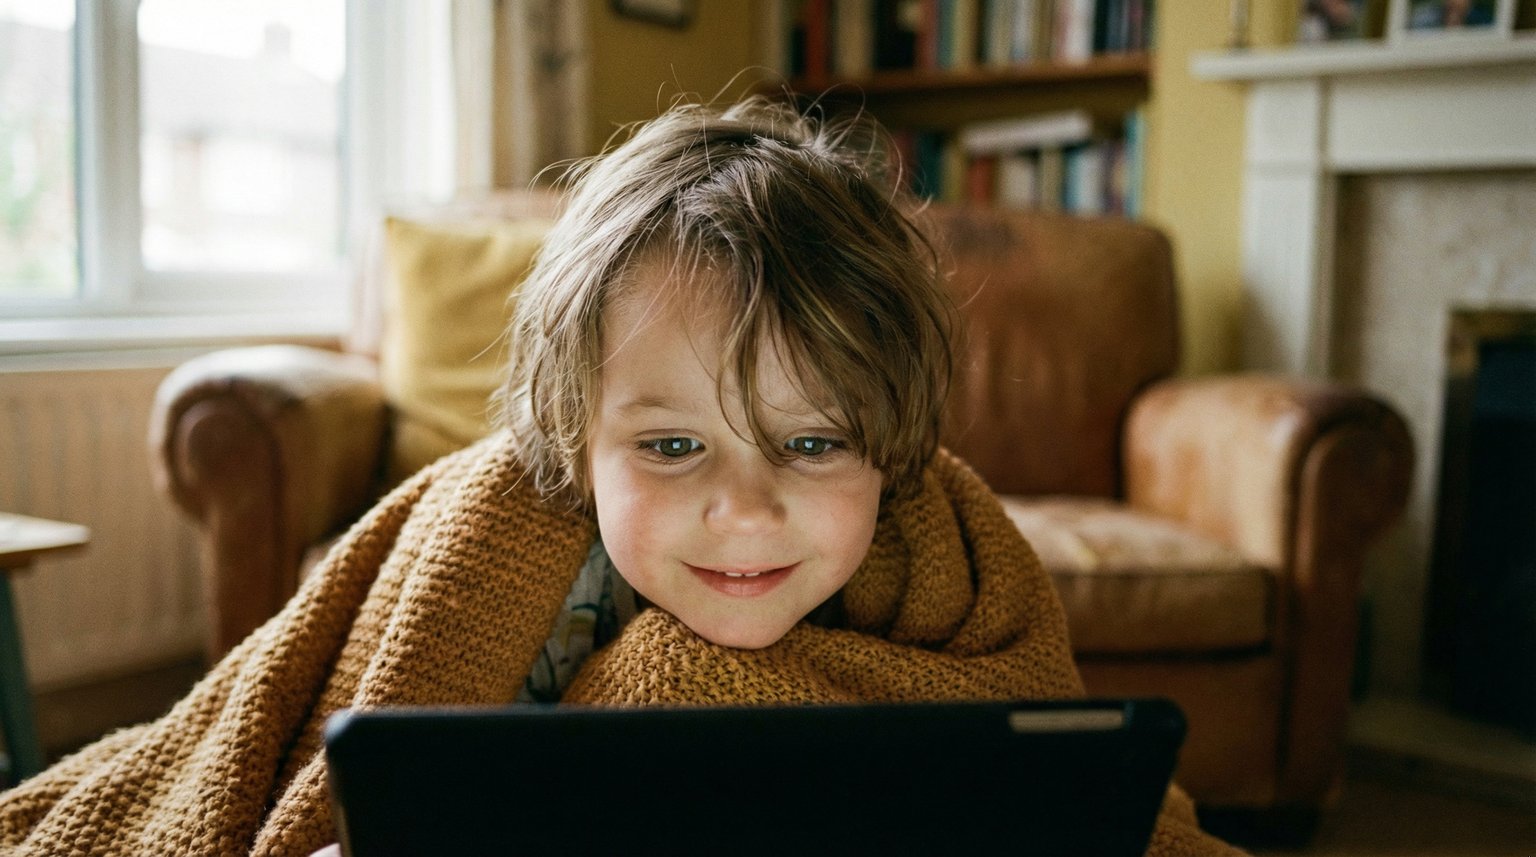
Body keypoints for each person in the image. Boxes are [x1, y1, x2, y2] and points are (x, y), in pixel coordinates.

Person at [0, 95, 1242, 856]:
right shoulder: (495, 540)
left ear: (893, 442)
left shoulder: (955, 569)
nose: (743, 508)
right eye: (671, 445)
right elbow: (298, 773)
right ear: (574, 434)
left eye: (813, 443)